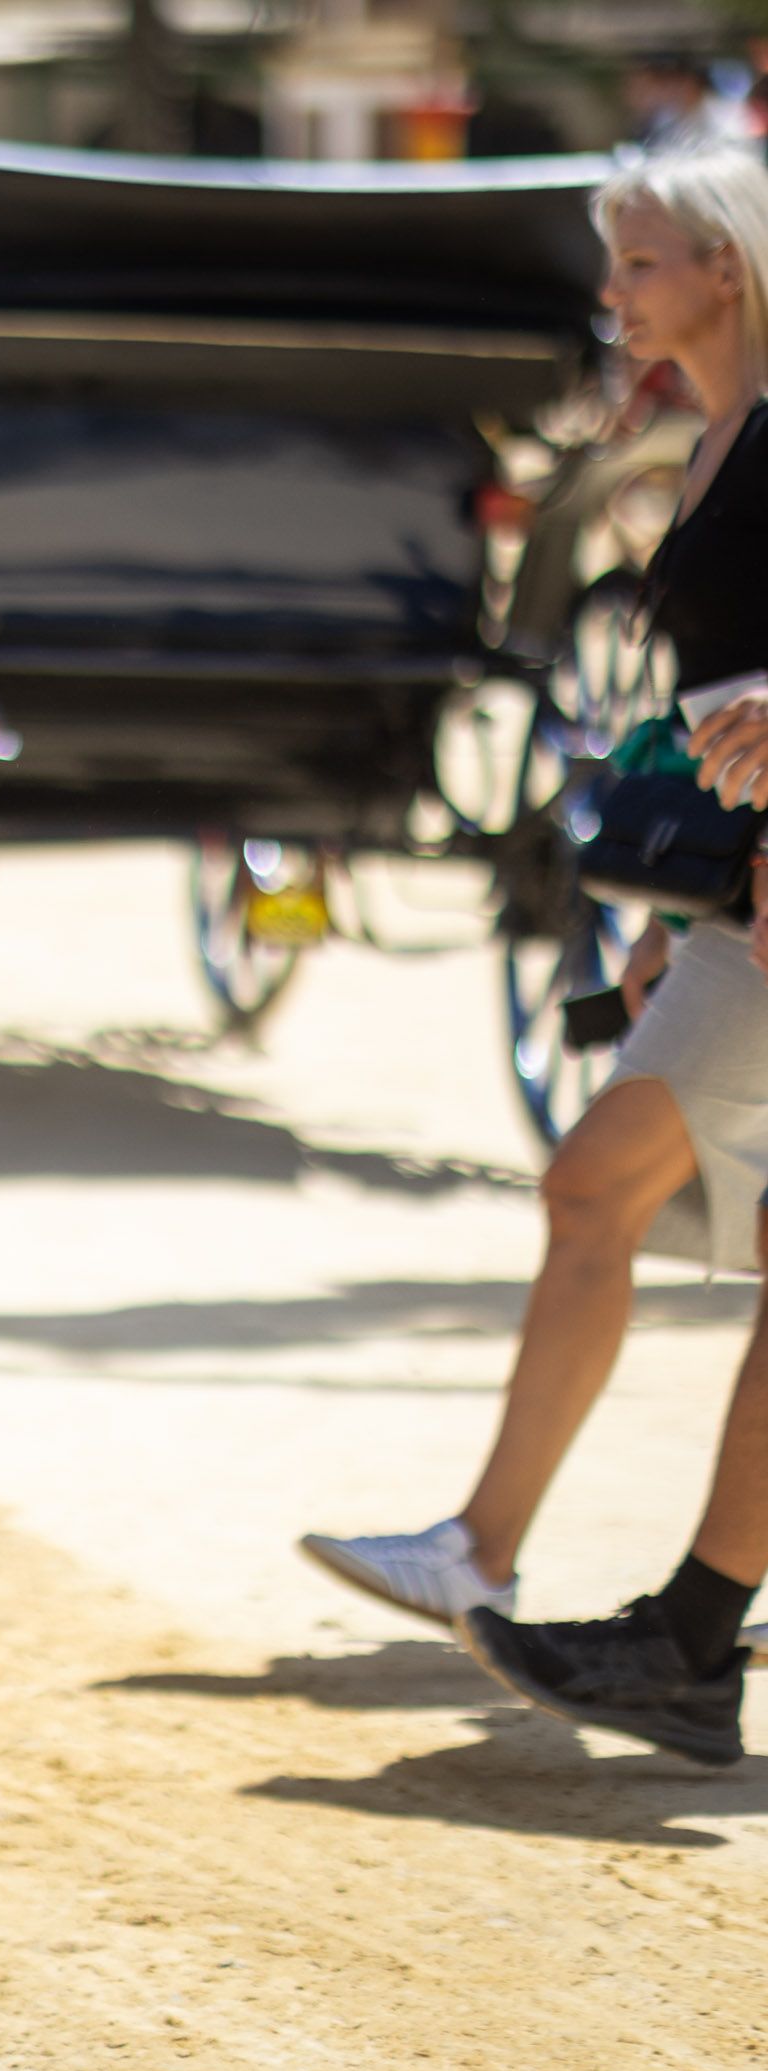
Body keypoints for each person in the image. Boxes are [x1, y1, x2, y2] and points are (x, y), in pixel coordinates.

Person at [304, 148, 768, 1763]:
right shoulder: (713, 439)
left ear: (725, 263)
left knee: (603, 1188)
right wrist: (666, 910)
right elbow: (704, 703)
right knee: (604, 1190)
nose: (615, 293)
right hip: (748, 906)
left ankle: (653, 1616)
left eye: (640, 264)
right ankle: (639, 1609)